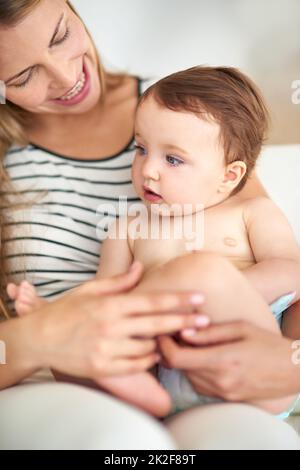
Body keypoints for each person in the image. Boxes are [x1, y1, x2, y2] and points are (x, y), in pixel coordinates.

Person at [0, 0, 299, 450]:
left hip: (233, 371)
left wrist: (291, 359)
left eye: (60, 34)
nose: (66, 78)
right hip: (106, 375)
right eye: (22, 76)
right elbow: (104, 296)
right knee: (111, 420)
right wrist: (41, 333)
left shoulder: (194, 112)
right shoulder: (126, 226)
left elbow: (292, 274)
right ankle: (136, 389)